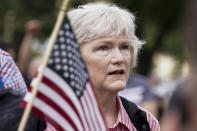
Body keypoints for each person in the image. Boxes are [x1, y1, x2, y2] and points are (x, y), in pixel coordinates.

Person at [67, 2, 160, 130]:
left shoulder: (145, 123)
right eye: (103, 47)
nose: (119, 58)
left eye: (124, 47)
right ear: (73, 56)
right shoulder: (48, 121)